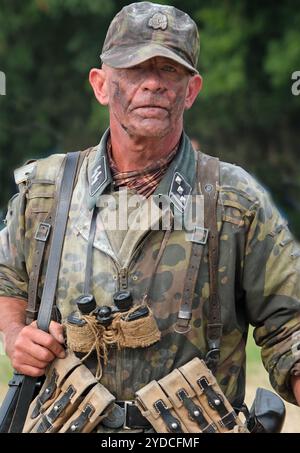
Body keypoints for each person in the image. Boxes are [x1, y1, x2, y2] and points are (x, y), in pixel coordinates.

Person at [0, 1, 299, 433]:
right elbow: (8, 277)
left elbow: (290, 325)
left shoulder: (235, 200)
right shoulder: (46, 191)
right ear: (101, 85)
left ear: (191, 90)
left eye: (170, 71)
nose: (154, 84)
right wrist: (15, 336)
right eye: (135, 70)